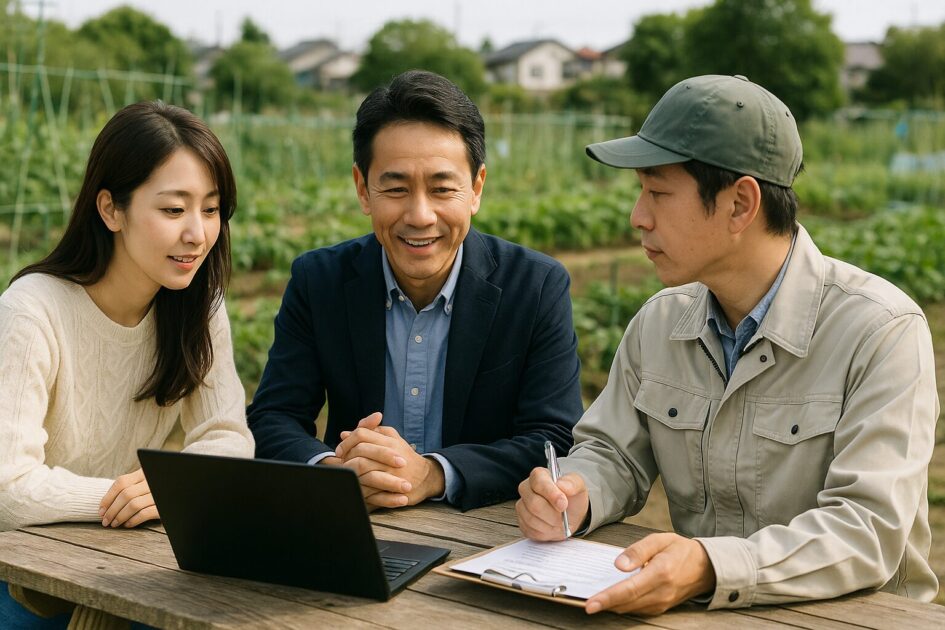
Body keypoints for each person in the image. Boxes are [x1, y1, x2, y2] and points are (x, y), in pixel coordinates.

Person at [516, 75, 939, 614]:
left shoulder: (881, 331)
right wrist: (575, 493)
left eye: (658, 192)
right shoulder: (659, 322)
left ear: (741, 204)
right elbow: (613, 453)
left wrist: (710, 567)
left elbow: (867, 530)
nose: (638, 217)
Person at [247, 70, 582, 511]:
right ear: (363, 189)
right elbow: (273, 417)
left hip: (485, 530)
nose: (420, 215)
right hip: (358, 526)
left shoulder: (536, 285)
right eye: (396, 188)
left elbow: (553, 439)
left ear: (476, 188)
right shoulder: (319, 280)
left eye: (442, 188)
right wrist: (336, 472)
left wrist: (433, 473)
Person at [0, 101, 255, 626]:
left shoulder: (198, 307)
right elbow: (5, 489)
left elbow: (229, 438)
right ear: (111, 209)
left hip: (129, 564)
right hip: (25, 576)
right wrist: (138, 494)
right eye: (172, 209)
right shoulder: (31, 313)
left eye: (210, 209)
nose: (197, 233)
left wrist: (169, 489)